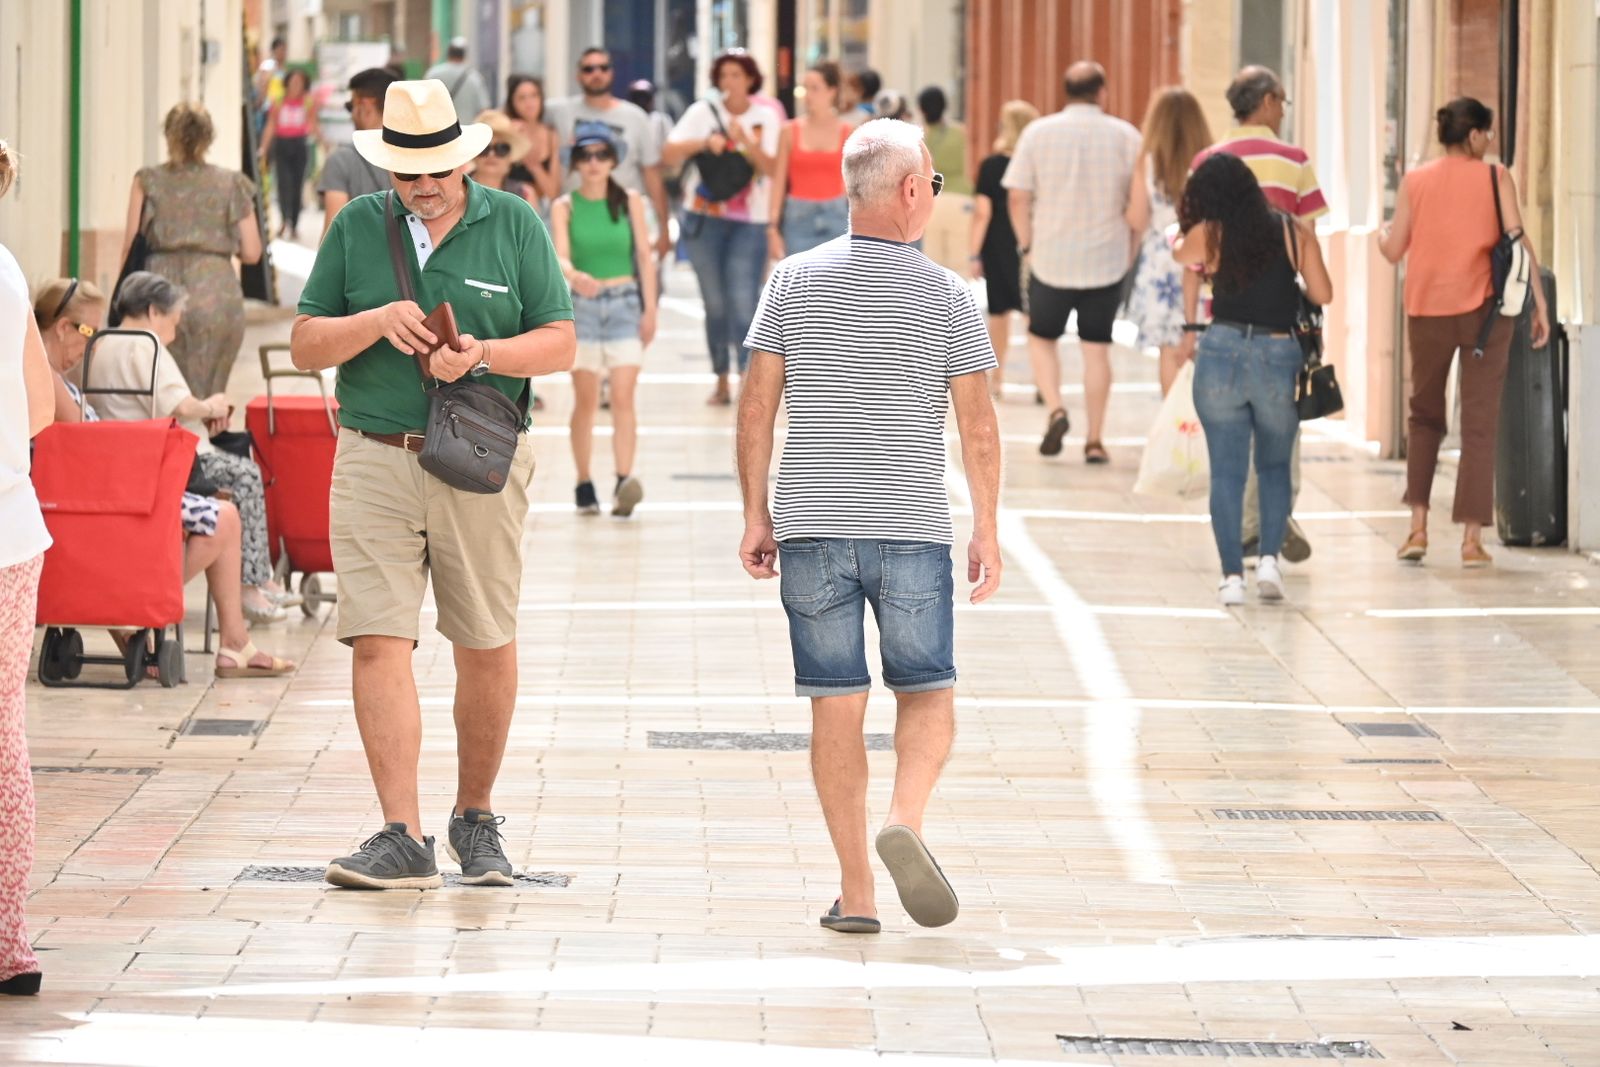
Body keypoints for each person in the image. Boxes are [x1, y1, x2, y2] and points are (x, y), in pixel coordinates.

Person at [291, 79, 575, 889]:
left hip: (478, 459)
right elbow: (308, 341)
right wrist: (372, 322)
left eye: (438, 168)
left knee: (484, 640)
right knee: (378, 636)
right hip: (374, 453)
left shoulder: (513, 222)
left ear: (466, 159)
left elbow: (559, 343)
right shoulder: (356, 226)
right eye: (408, 169)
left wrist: (483, 353)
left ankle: (475, 817)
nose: (424, 184)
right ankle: (401, 834)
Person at [737, 119, 1002, 934]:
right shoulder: (950, 296)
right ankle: (906, 818)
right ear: (911, 191)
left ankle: (857, 892)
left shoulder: (792, 281)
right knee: (927, 690)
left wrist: (757, 510)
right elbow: (979, 427)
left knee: (835, 704)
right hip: (911, 525)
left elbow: (757, 405)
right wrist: (986, 526)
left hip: (814, 524)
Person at [33, 278, 297, 675]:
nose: (92, 344)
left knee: (217, 516)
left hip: (92, 497)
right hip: (105, 498)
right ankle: (140, 610)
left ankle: (226, 639)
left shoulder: (57, 375)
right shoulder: (54, 380)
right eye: (90, 331)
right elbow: (85, 447)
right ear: (64, 327)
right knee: (223, 518)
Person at [1378, 97, 1549, 568]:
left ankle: (1417, 528)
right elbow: (1517, 240)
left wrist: (1380, 235)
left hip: (1426, 310)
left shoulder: (1415, 182)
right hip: (1486, 315)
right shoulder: (1496, 178)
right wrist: (1539, 302)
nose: (1490, 142)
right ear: (1473, 136)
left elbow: (1393, 250)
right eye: (1488, 134)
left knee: (1424, 416)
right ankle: (1471, 541)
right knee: (1479, 422)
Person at [86, 272, 292, 624]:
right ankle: (252, 584)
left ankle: (259, 580)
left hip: (114, 459)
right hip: (154, 462)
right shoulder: (145, 344)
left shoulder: (100, 344)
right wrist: (212, 406)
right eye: (173, 322)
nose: (175, 332)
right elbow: (180, 405)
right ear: (153, 311)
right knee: (245, 473)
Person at [1173, 153, 1332, 604]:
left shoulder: (1210, 234)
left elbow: (1179, 253)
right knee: (1275, 466)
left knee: (1226, 472)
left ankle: (1230, 579)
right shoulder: (1291, 230)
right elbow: (1324, 293)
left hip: (1221, 349)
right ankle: (1268, 564)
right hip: (1277, 352)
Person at [1188, 65, 1328, 563]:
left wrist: (1187, 324)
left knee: (1229, 445)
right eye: (1283, 101)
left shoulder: (1209, 158)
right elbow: (1307, 235)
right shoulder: (1294, 160)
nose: (1283, 110)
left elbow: (1192, 237)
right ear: (1267, 102)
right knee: (1278, 439)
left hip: (1222, 317)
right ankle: (1271, 521)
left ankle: (1243, 535)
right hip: (1279, 321)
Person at [1005, 61, 1140, 464]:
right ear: (1103, 92)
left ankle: (1056, 409)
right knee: (1096, 349)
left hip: (1050, 257)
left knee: (1041, 338)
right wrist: (1129, 251)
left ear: (1065, 91)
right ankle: (1095, 439)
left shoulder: (1038, 133)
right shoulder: (1127, 137)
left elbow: (1017, 196)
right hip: (1107, 259)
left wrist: (1026, 245)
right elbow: (1138, 203)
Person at [0, 140, 55, 997]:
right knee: (4, 731)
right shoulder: (9, 269)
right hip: (12, 530)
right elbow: (42, 406)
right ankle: (8, 939)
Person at [663, 50, 782, 405]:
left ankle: (748, 381)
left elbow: (775, 169)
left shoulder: (766, 116)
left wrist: (744, 140)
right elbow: (669, 153)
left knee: (745, 302)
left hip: (750, 221)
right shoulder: (702, 112)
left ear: (750, 79)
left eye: (737, 74)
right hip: (704, 218)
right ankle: (720, 379)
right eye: (724, 75)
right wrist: (704, 142)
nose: (730, 82)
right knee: (714, 303)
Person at [121, 103, 263, 398]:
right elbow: (252, 252)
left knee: (163, 391)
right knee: (210, 396)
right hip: (217, 294)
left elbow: (129, 247)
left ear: (168, 135)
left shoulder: (147, 180)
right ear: (208, 138)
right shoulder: (231, 183)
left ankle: (172, 440)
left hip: (159, 296)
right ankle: (207, 435)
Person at [551, 129, 658, 517]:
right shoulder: (566, 206)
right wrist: (575, 275)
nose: (593, 162)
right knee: (586, 400)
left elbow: (645, 257)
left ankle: (623, 480)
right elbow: (559, 256)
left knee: (625, 398)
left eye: (601, 155)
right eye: (585, 155)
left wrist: (650, 311)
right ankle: (583, 483)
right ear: (576, 163)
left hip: (625, 303)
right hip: (583, 306)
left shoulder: (630, 201)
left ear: (613, 160)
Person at [1125, 87, 1212, 395]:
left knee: (1169, 350)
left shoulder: (1147, 162)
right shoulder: (1209, 161)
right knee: (1203, 344)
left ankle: (1175, 424)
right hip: (1202, 254)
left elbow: (1137, 218)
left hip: (1162, 259)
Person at [548, 49, 672, 259]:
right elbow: (519, 109)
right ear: (578, 75)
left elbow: (652, 176)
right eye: (589, 69)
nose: (596, 74)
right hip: (576, 217)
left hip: (627, 215)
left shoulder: (635, 117)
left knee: (640, 283)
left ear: (611, 73)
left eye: (603, 68)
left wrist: (664, 230)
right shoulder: (558, 111)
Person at [970, 99, 1039, 397]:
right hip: (1031, 242)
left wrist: (973, 252)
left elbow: (982, 212)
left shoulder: (991, 165)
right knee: (1034, 314)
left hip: (997, 243)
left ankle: (996, 381)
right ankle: (1041, 383)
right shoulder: (1038, 164)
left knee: (998, 315)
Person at [768, 61, 852, 261]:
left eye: (815, 88)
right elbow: (779, 181)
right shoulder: (789, 131)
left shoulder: (849, 132)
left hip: (837, 214)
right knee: (801, 284)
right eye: (805, 88)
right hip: (798, 216)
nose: (808, 95)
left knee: (836, 287)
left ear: (832, 91)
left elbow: (855, 184)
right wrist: (772, 227)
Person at [319, 67, 401, 242]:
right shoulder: (415, 155)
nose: (351, 116)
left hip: (359, 265)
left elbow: (332, 236)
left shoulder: (341, 160)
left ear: (366, 106)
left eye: (351, 106)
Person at [258, 67, 320, 240]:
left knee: (297, 185)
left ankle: (294, 222)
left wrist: (322, 141)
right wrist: (263, 147)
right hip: (282, 145)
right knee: (284, 184)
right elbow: (270, 126)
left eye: (299, 83)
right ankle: (284, 220)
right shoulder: (278, 102)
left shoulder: (308, 102)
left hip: (299, 145)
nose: (295, 86)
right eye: (292, 82)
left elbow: (313, 124)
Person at [504, 75, 562, 207]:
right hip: (511, 204)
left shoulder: (551, 135)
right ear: (512, 102)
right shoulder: (507, 132)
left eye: (534, 95)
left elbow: (553, 192)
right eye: (522, 98)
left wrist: (534, 164)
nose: (529, 103)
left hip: (541, 207)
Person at [470, 110, 539, 208]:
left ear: (510, 156)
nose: (491, 154)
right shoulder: (456, 190)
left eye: (501, 148)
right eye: (484, 148)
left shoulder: (525, 195)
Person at [424, 38, 490, 123]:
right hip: (466, 131)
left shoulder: (433, 74)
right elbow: (484, 110)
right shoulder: (474, 77)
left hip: (438, 131)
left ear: (448, 53)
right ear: (464, 55)